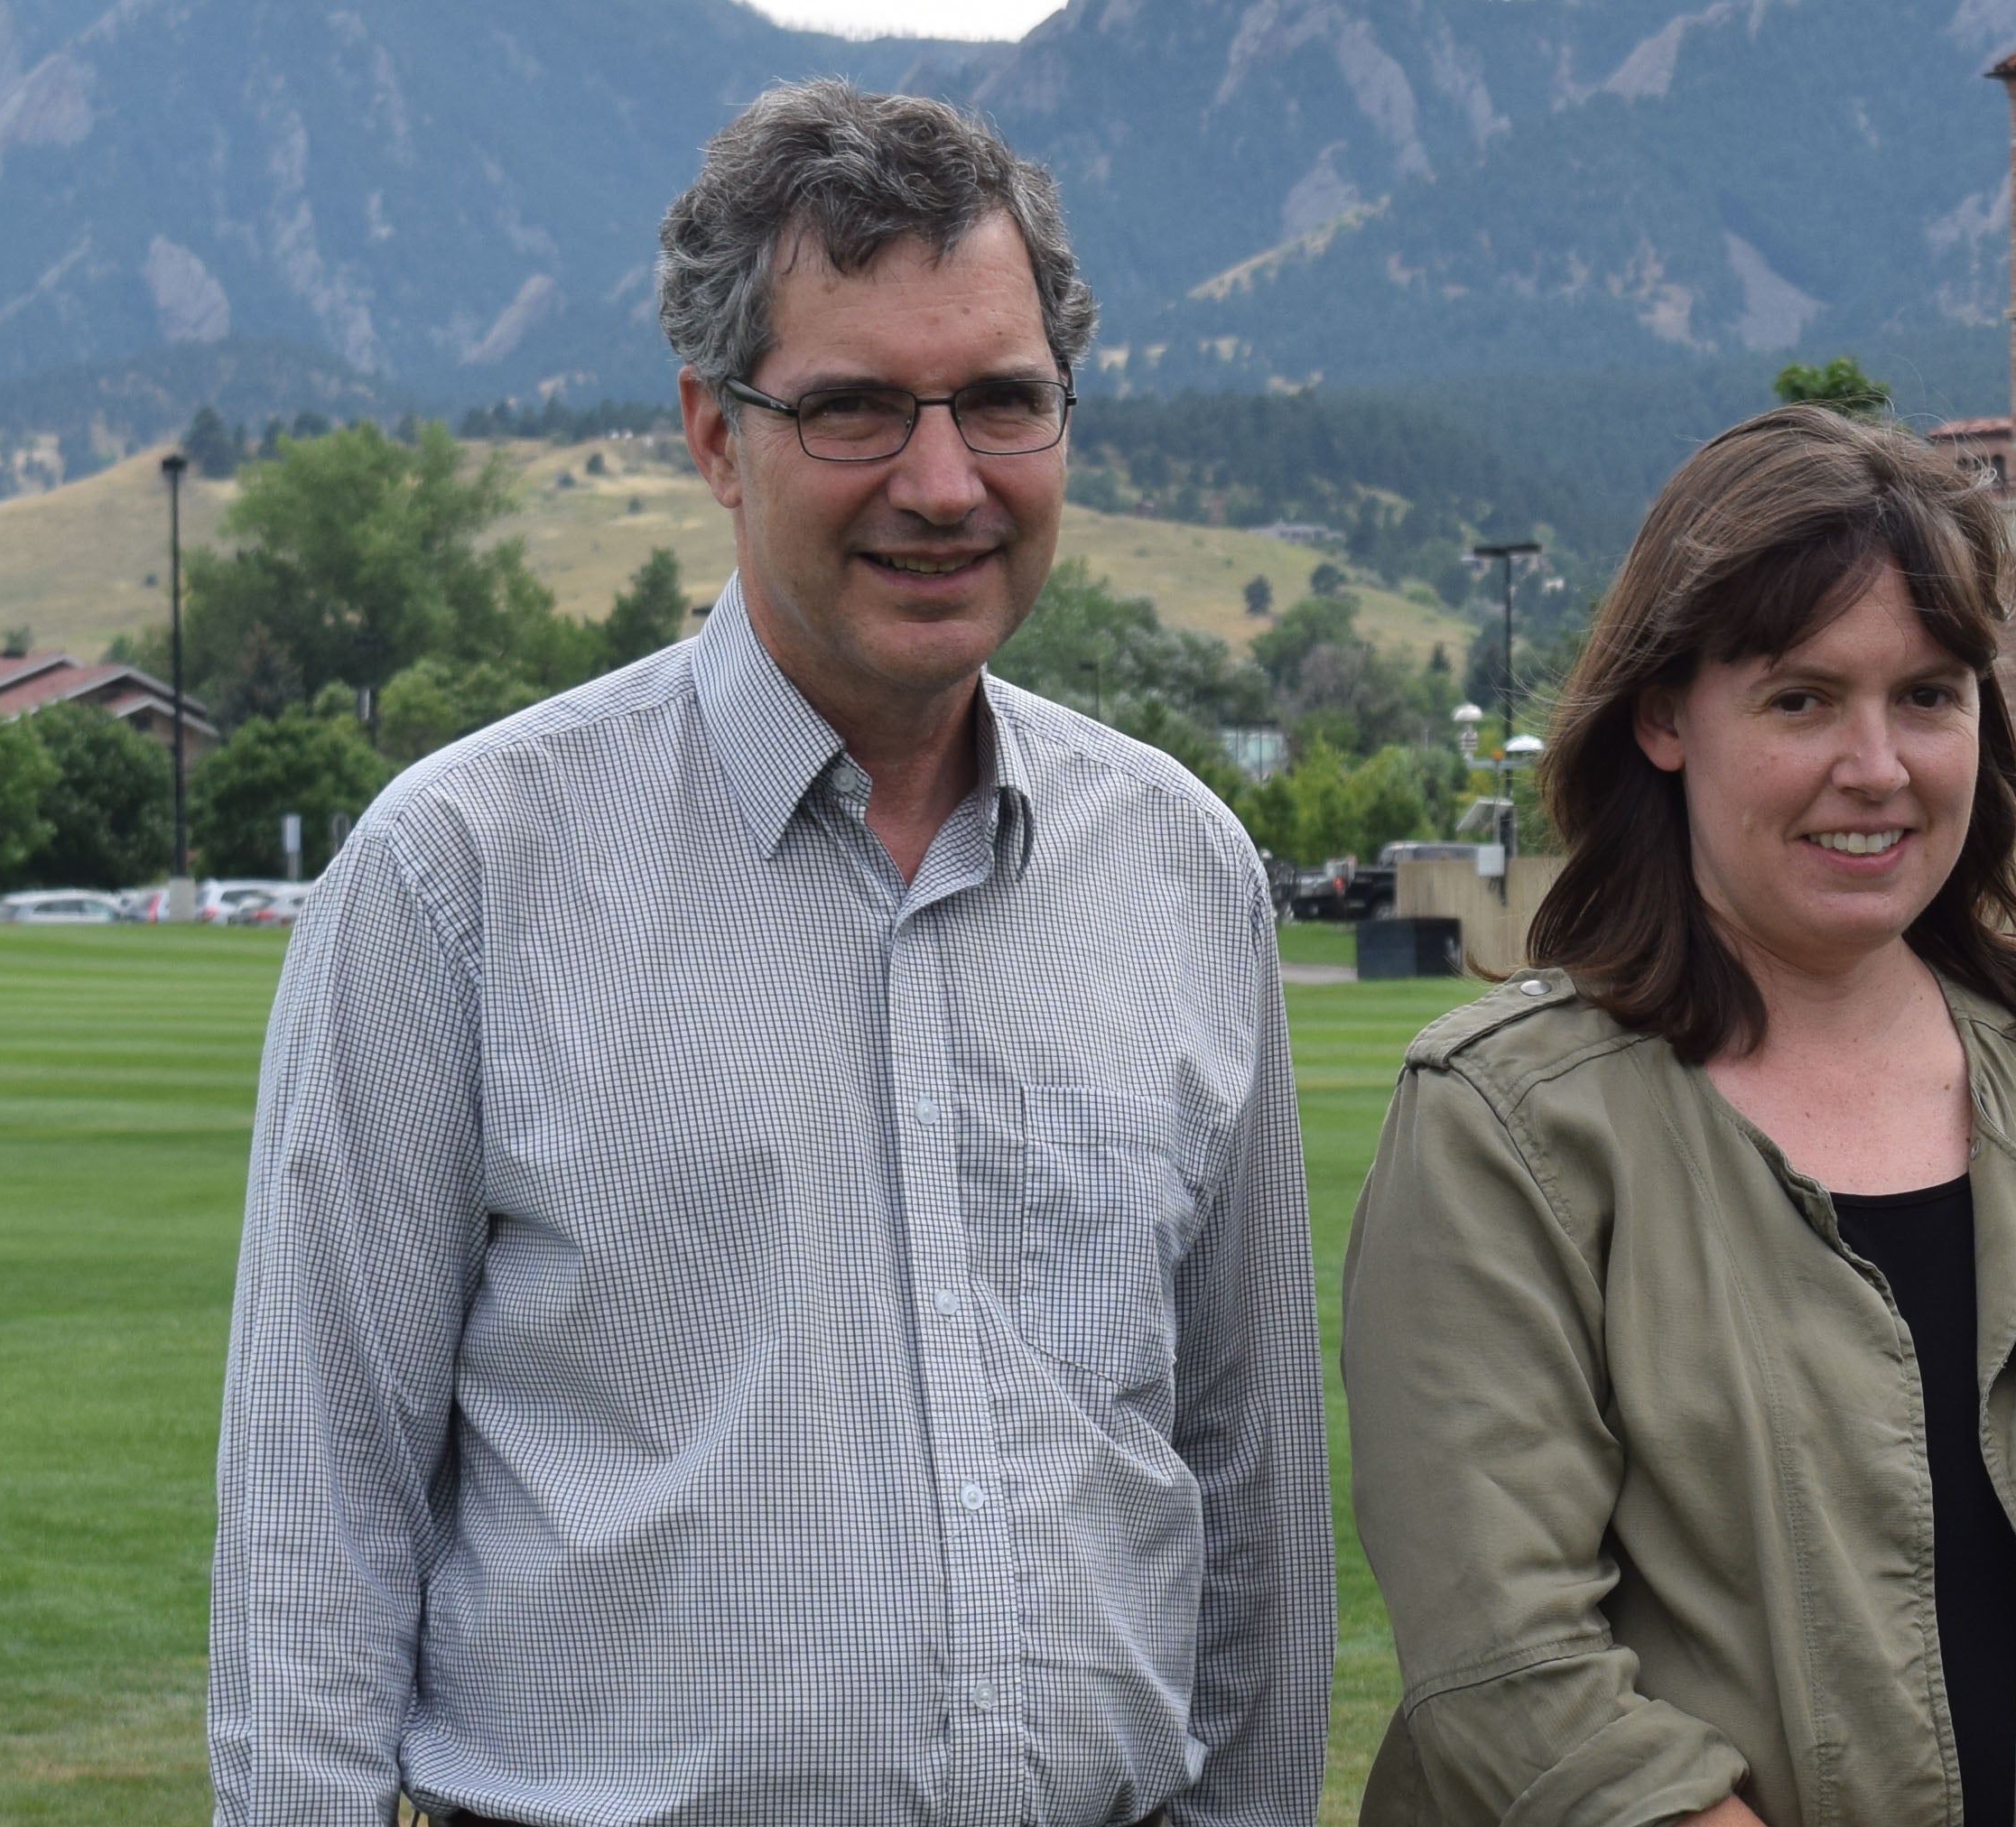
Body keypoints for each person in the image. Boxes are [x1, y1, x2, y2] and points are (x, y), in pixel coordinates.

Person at [207, 82, 1333, 1827]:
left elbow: (1249, 1489)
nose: (944, 483)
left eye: (1003, 404)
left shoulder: (1179, 866)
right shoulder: (462, 871)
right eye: (857, 410)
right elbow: (315, 1513)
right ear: (715, 434)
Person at [1337, 404, 2016, 1827]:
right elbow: (1514, 1674)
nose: (1878, 766)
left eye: (1927, 696)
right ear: (1667, 716)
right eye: (1803, 698)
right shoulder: (1507, 1127)